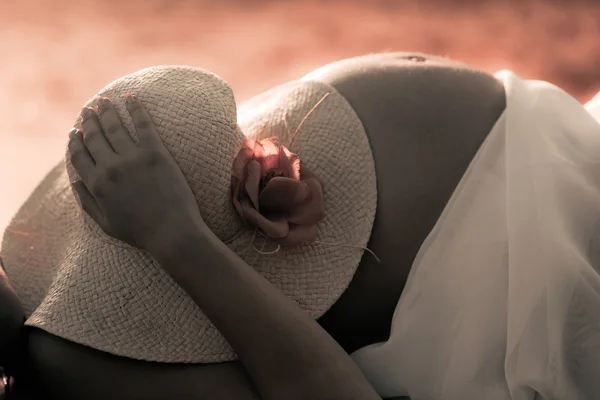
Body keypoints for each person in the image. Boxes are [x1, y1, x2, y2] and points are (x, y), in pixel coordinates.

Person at [2, 51, 599, 400]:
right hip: (541, 277)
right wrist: (177, 237)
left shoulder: (44, 281)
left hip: (552, 143)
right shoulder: (78, 360)